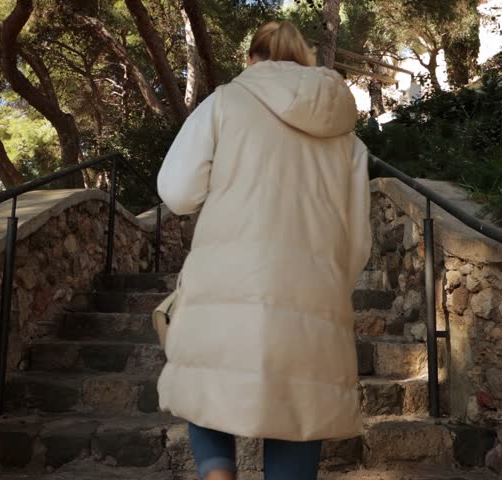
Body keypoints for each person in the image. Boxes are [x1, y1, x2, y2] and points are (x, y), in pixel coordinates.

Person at [156, 20, 372, 480]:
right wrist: (334, 285)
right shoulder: (344, 131)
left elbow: (177, 193)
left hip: (226, 276)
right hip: (314, 287)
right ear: (306, 60)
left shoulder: (226, 101)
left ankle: (218, 475)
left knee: (207, 377)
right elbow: (358, 239)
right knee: (300, 407)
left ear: (252, 58)